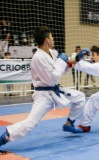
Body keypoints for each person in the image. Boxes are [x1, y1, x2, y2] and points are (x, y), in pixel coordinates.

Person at [0, 26, 85, 154]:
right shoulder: (38, 58)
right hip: (44, 94)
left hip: (55, 90)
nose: (53, 39)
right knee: (30, 124)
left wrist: (77, 58)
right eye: (51, 37)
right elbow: (52, 77)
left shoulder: (53, 52)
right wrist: (62, 61)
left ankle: (69, 123)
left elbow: (65, 64)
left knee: (80, 97)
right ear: (46, 40)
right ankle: (1, 140)